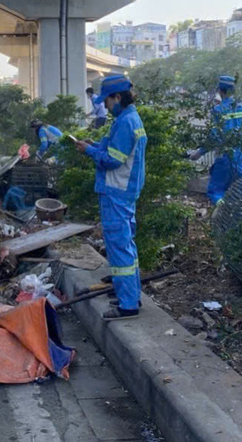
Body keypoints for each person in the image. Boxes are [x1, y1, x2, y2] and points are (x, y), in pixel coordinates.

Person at [75, 75, 147, 320]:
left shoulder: (126, 122)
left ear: (118, 97)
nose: (105, 105)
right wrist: (94, 145)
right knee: (126, 245)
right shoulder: (128, 120)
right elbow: (115, 150)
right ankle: (129, 293)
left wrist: (90, 151)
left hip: (117, 191)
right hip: (123, 191)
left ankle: (128, 304)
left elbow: (113, 160)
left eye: (107, 100)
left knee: (119, 247)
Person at [190, 75, 242, 205]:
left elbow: (214, 137)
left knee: (216, 191)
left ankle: (221, 214)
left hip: (225, 157)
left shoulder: (218, 110)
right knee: (240, 193)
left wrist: (199, 153)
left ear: (220, 90)